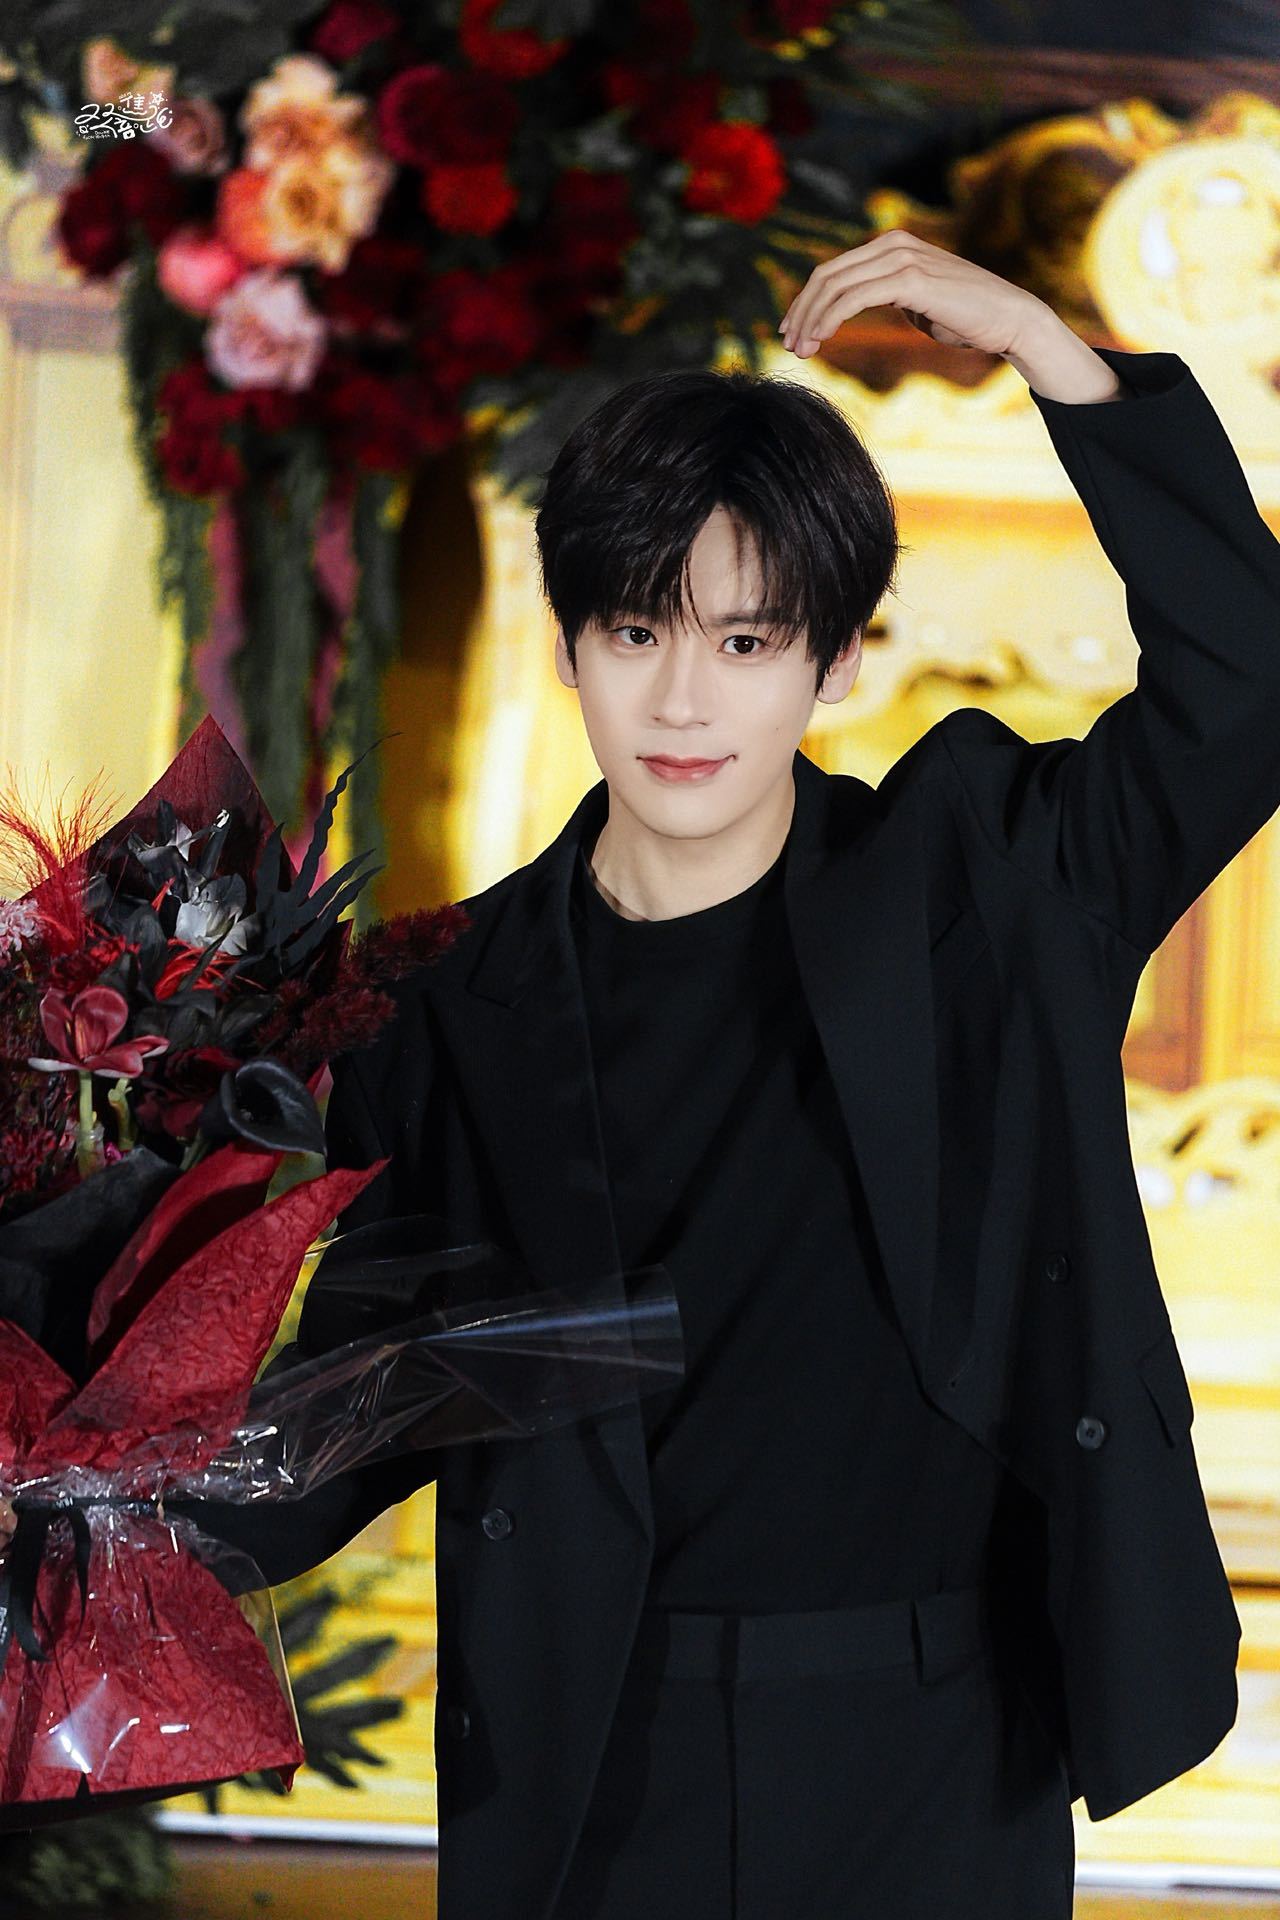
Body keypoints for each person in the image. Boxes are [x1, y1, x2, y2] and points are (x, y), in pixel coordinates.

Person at [5, 231, 1278, 1918]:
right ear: (570, 646)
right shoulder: (442, 998)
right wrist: (87, 1496)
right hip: (593, 1739)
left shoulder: (981, 893)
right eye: (635, 630)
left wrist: (1056, 353)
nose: (684, 700)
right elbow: (379, 1396)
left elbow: (1248, 688)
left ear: (837, 660)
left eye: (747, 644)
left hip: (933, 1732)